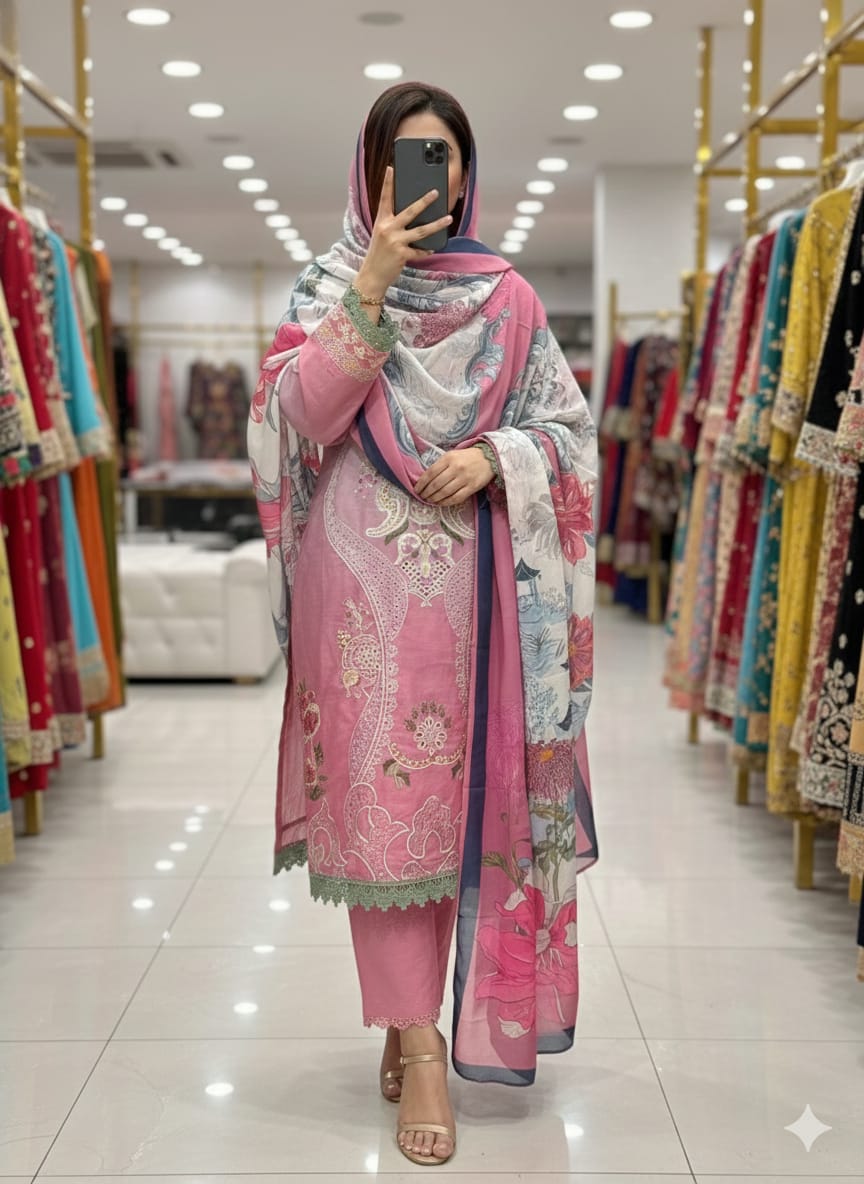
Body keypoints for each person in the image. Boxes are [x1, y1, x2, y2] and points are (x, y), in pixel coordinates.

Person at [248, 81, 598, 1168]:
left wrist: (498, 455)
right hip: (360, 598)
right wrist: (371, 286)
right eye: (405, 157)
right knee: (387, 815)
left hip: (482, 590)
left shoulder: (509, 299)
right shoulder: (328, 284)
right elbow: (302, 414)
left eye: (442, 156)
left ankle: (412, 1024)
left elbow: (570, 432)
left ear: (466, 174)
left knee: (465, 816)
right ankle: (419, 1038)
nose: (424, 179)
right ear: (370, 174)